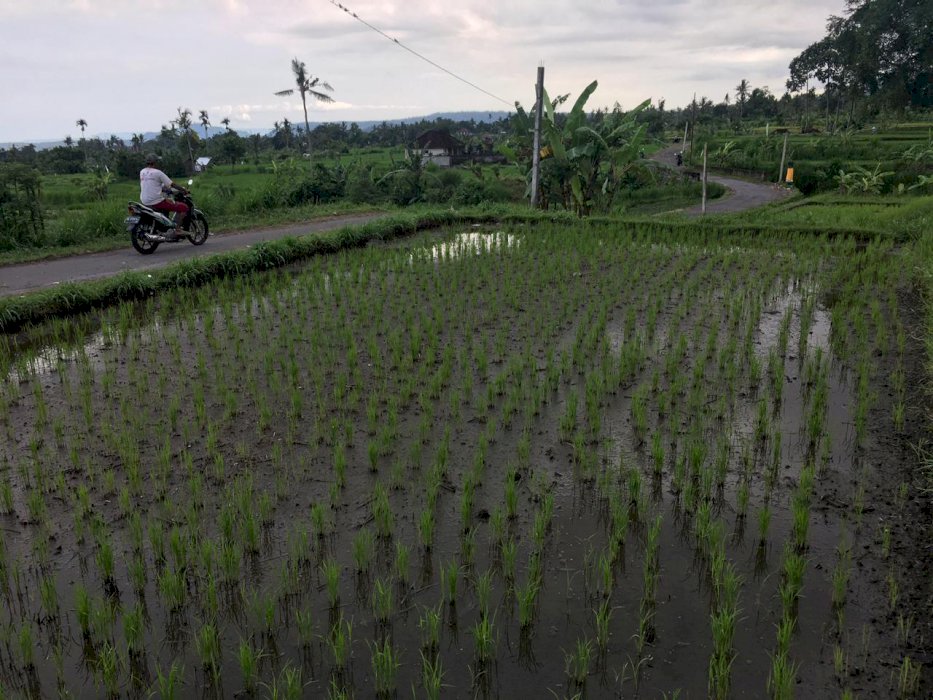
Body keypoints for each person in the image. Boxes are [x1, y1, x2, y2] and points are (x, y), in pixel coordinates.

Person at [139, 153, 188, 231]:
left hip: (144, 201)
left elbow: (154, 185)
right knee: (184, 207)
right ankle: (177, 229)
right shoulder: (158, 173)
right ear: (155, 162)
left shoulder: (142, 172)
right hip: (156, 201)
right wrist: (183, 190)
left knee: (167, 201)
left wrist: (165, 189)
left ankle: (165, 225)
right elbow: (172, 184)